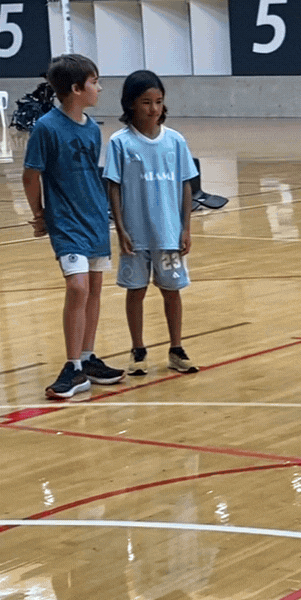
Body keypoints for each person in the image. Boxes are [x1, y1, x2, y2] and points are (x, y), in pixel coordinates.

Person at [25, 54, 124, 400]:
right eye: (95, 82)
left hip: (95, 217)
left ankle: (86, 358)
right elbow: (31, 174)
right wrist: (39, 214)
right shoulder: (46, 127)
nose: (99, 88)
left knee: (94, 289)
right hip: (66, 222)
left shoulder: (93, 128)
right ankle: (71, 365)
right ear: (76, 88)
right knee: (78, 288)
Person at [104, 70, 199, 375]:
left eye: (158, 101)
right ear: (131, 104)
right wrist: (120, 229)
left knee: (172, 292)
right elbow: (114, 187)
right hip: (136, 236)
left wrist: (185, 227)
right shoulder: (120, 142)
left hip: (169, 234)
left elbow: (186, 184)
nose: (154, 108)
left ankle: (176, 348)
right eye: (146, 102)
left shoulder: (175, 141)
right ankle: (138, 350)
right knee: (137, 291)